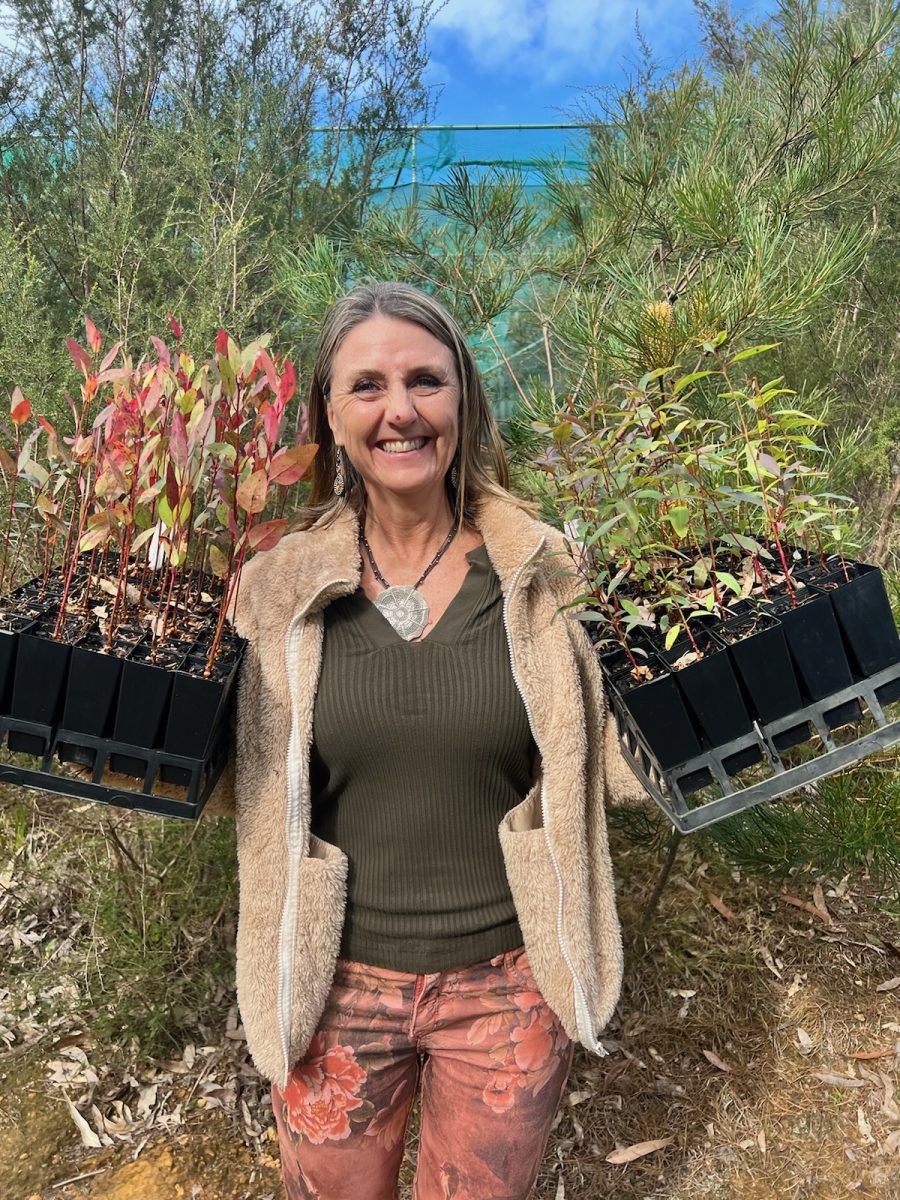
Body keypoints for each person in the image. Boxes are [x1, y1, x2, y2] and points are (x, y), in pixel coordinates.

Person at [209, 282, 643, 1199]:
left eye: (425, 382)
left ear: (463, 402)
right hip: (333, 986)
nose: (399, 410)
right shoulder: (280, 589)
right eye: (367, 386)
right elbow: (232, 782)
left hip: (507, 986)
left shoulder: (543, 571)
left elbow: (610, 757)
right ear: (329, 415)